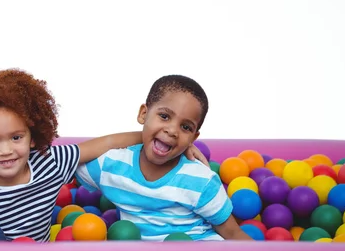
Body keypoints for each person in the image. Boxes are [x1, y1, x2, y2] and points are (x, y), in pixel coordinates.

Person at [0, 69, 208, 242]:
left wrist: (158, 139)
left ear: (32, 135)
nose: (5, 150)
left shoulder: (49, 163)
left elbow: (104, 144)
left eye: (16, 138)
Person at [76, 74, 252, 241]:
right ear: (143, 114)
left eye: (185, 127)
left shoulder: (201, 181)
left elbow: (233, 234)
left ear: (193, 139)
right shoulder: (112, 165)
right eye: (164, 116)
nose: (173, 130)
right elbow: (64, 160)